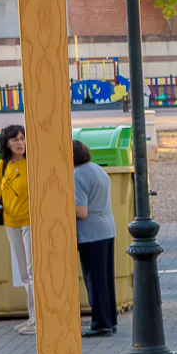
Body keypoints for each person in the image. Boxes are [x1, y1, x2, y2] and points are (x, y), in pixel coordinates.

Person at [0, 124, 35, 334]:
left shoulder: (31, 163)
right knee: (24, 273)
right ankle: (32, 317)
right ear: (6, 143)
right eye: (15, 139)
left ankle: (37, 320)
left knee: (33, 272)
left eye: (22, 138)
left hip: (30, 222)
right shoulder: (2, 165)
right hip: (11, 222)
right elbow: (1, 189)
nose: (20, 143)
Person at [72, 138, 116, 337]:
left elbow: (81, 211)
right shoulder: (98, 169)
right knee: (106, 279)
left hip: (90, 234)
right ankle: (110, 319)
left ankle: (100, 323)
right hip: (107, 228)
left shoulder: (77, 174)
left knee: (94, 280)